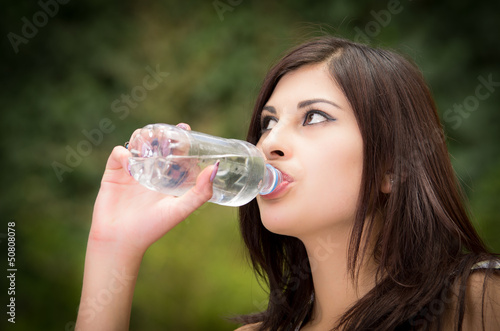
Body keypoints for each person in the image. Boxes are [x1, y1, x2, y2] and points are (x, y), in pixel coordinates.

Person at [76, 36, 500, 330]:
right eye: (268, 122)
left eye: (314, 116)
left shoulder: (479, 303)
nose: (269, 143)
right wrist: (113, 250)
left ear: (392, 167)